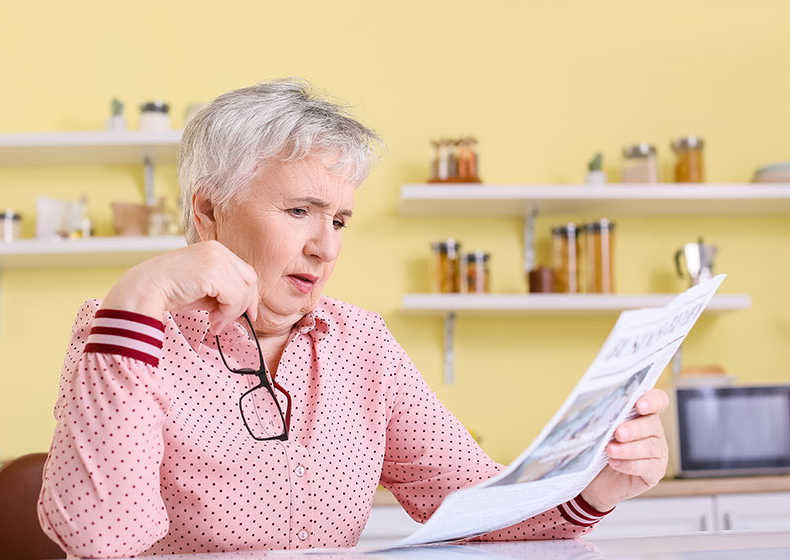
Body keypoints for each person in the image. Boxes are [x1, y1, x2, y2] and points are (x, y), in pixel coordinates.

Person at [37, 79, 670, 558]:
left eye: (338, 220)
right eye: (300, 212)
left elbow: (481, 512)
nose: (327, 246)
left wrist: (598, 486)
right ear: (208, 212)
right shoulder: (121, 329)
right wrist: (138, 295)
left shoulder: (360, 342)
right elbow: (102, 539)